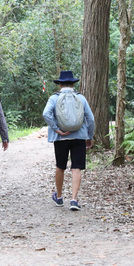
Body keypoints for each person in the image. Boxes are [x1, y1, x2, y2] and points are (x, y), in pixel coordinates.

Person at [42, 70, 95, 211]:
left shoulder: (54, 98)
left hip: (61, 138)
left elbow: (46, 113)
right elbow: (91, 119)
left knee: (60, 166)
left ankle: (59, 197)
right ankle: (74, 199)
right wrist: (89, 136)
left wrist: (56, 129)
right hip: (79, 136)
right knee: (76, 167)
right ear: (73, 84)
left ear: (60, 84)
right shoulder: (81, 98)